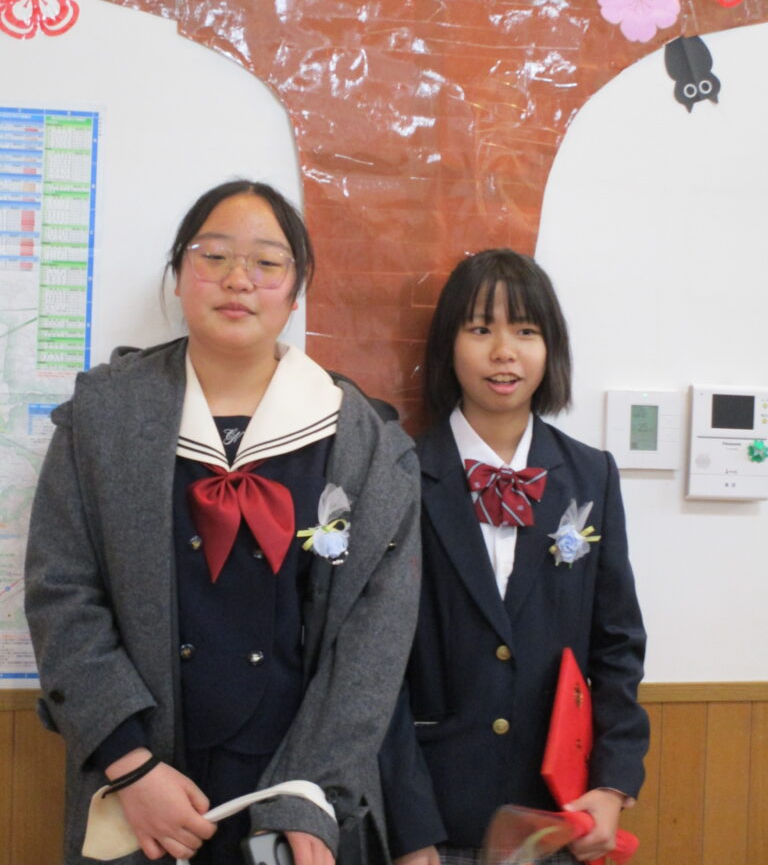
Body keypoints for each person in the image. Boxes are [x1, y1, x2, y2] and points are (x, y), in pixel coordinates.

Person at [25, 180, 421, 865]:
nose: (239, 279)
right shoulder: (102, 419)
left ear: (295, 292)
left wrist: (308, 793)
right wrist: (130, 764)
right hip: (141, 790)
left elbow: (374, 643)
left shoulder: (365, 445)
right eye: (214, 256)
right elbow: (61, 594)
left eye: (267, 263)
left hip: (302, 795)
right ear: (179, 275)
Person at [380, 249, 648, 865]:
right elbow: (376, 666)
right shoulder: (400, 474)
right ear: (448, 346)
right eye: (481, 329)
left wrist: (612, 783)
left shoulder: (591, 475)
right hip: (434, 818)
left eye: (526, 331)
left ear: (551, 348)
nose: (504, 352)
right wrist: (409, 828)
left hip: (559, 815)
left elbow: (617, 644)